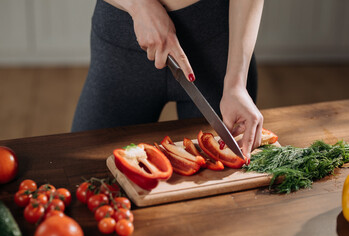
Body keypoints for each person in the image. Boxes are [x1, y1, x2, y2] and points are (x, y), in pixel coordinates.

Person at [71, 0, 264, 159]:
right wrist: (139, 6)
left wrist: (236, 84)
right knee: (81, 169)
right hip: (121, 45)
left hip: (219, 47)